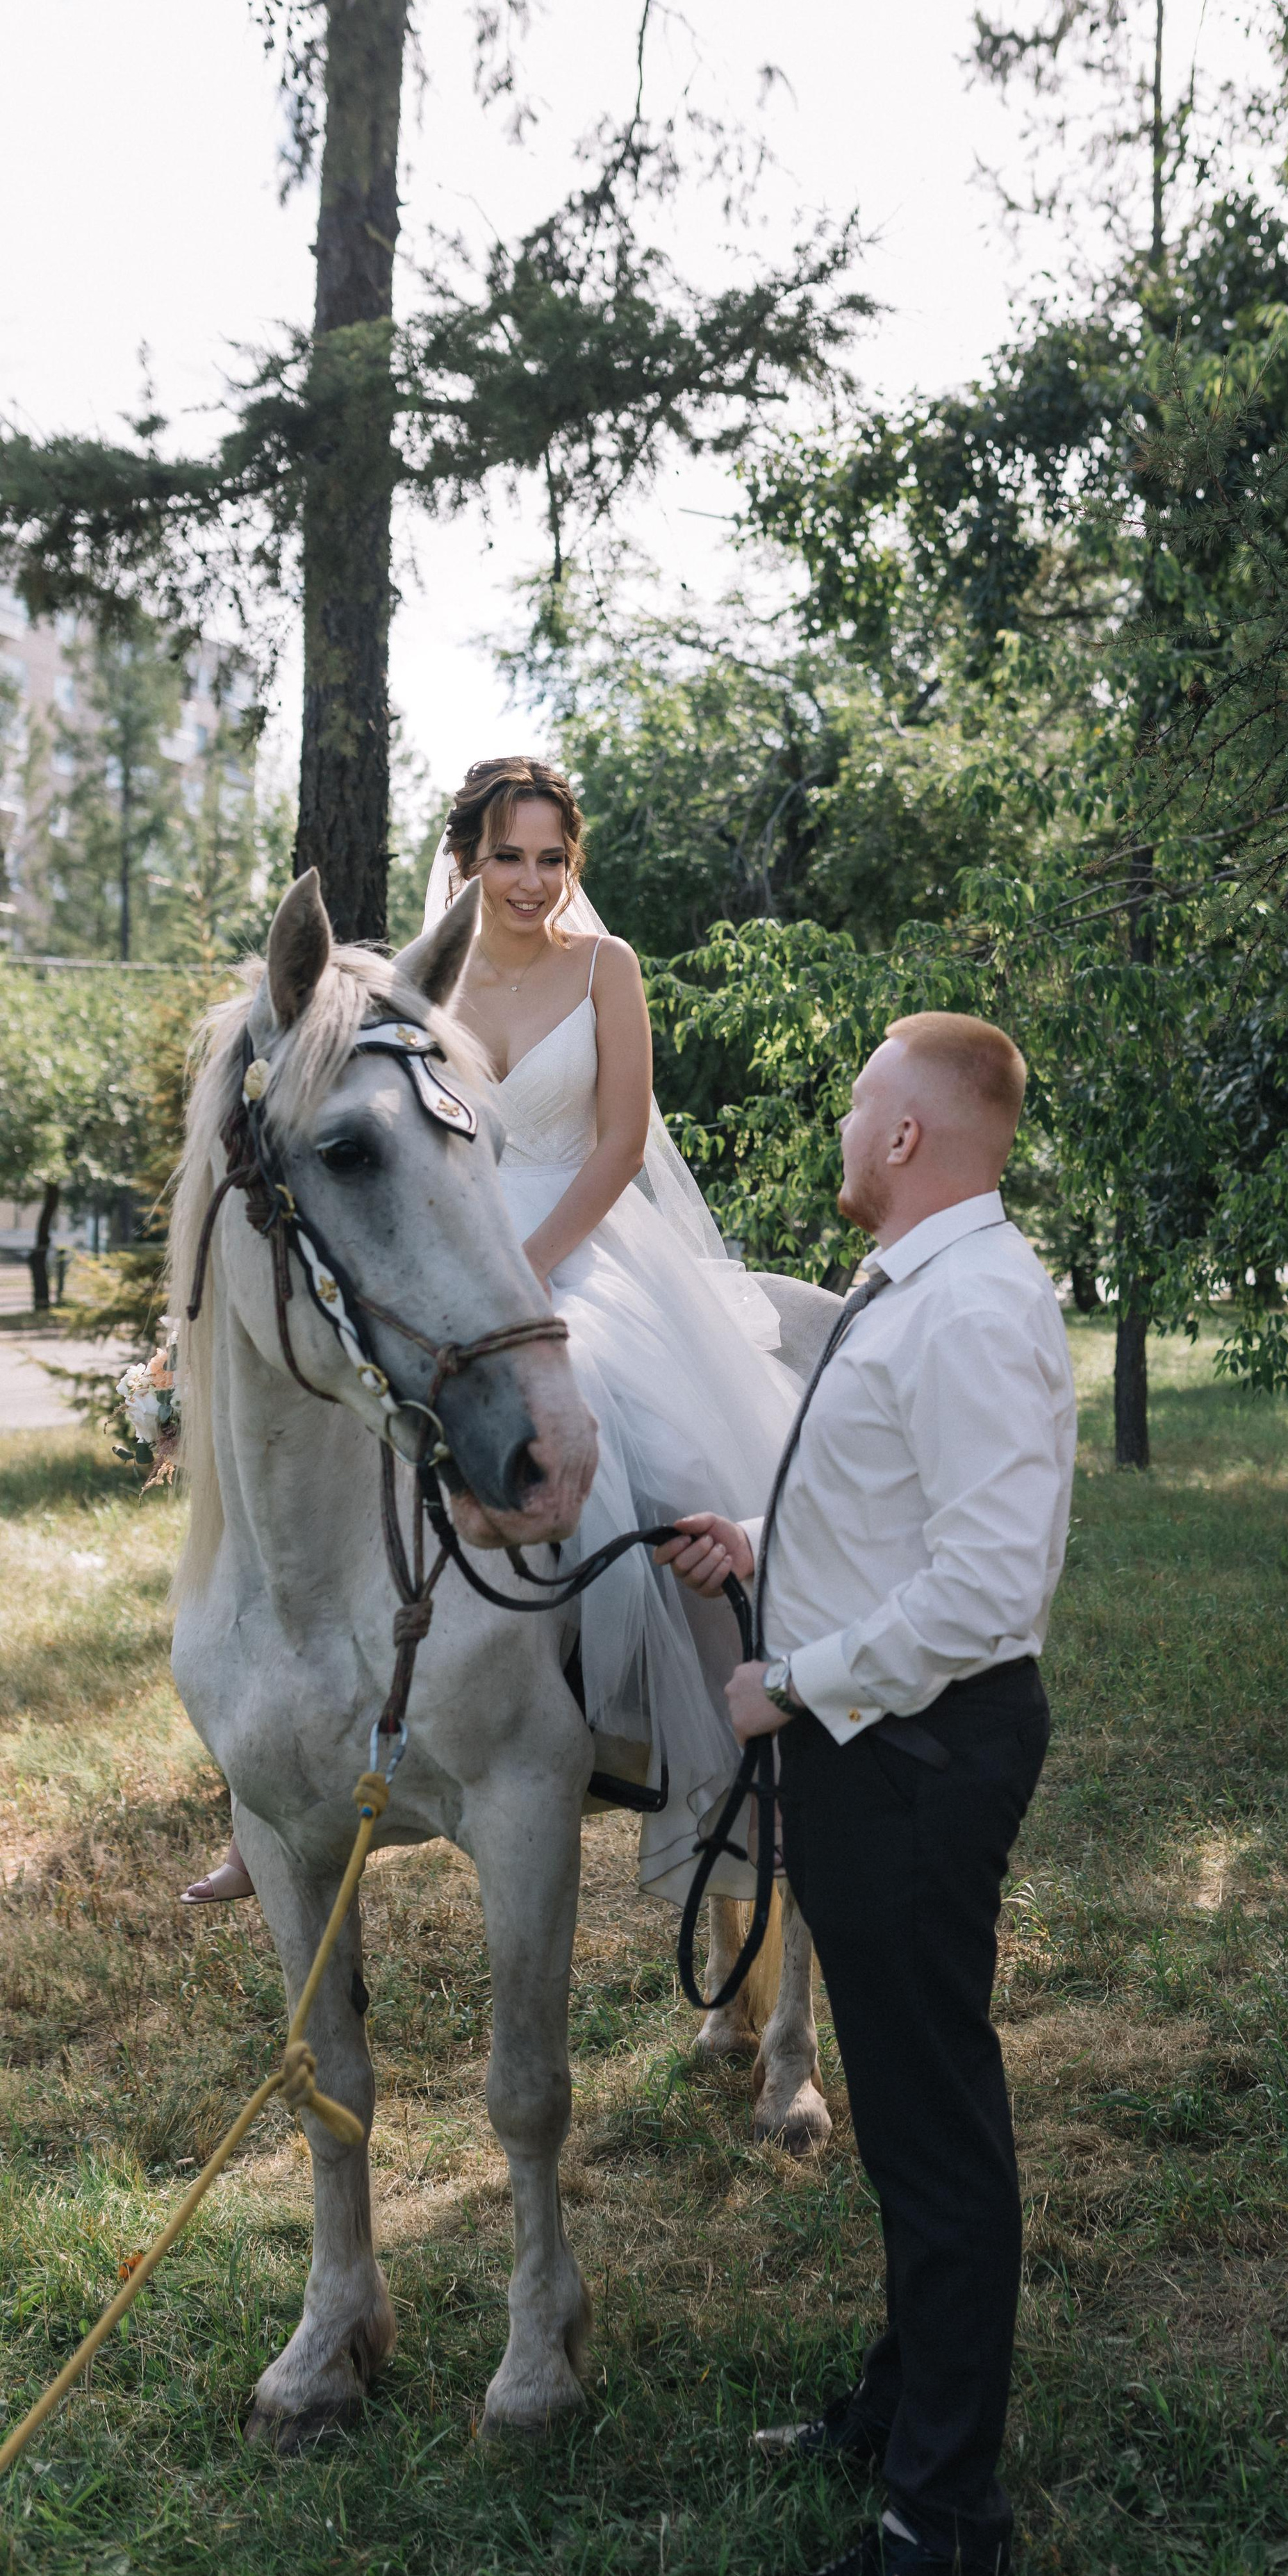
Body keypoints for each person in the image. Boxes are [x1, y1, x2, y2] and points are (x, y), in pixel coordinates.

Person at [183, 754, 802, 1911]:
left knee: (662, 1454)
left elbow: (620, 1142)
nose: (531, 881)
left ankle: (727, 1758)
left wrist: (530, 1272)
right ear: (465, 863)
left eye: (552, 859)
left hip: (580, 1244)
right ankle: (262, 1790)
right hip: (437, 1239)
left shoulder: (606, 967)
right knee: (299, 1474)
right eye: (508, 858)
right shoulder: (431, 989)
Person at [657, 1012, 1077, 2576]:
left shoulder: (969, 1307)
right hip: (884, 1740)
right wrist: (770, 1560)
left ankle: (941, 2530)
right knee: (911, 2125)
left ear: (904, 1136)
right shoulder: (920, 1291)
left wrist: (794, 1678)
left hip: (910, 1754)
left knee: (933, 2135)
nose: (843, 1127)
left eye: (854, 1104)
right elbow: (918, 1521)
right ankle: (902, 2411)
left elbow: (983, 1591)